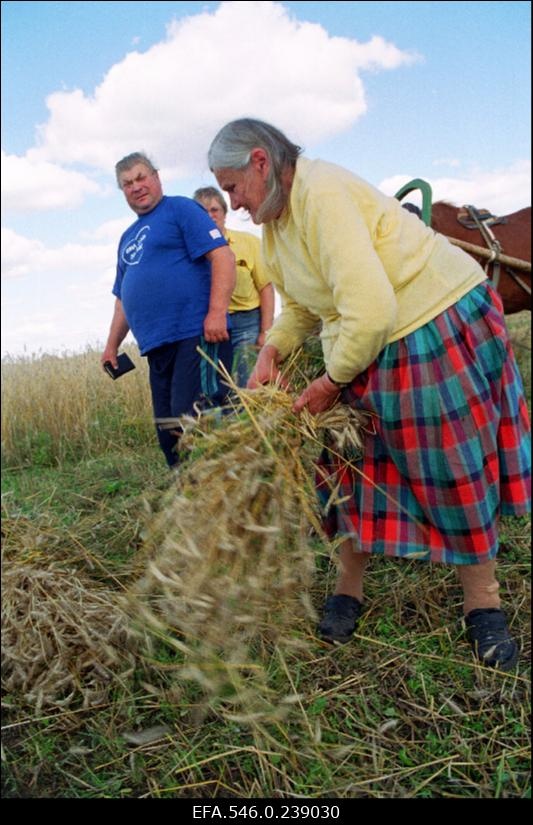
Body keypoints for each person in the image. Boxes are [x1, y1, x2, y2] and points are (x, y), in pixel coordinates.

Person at [207, 118, 531, 670]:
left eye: (233, 186)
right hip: (366, 336)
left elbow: (374, 308)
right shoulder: (277, 222)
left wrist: (330, 383)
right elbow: (308, 306)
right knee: (347, 468)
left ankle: (484, 604)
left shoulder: (322, 193)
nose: (232, 203)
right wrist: (273, 349)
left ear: (261, 161)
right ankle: (348, 588)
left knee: (451, 467)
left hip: (429, 320)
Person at [101, 152, 236, 468]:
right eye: (127, 184)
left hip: (195, 335)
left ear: (157, 177)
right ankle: (187, 504)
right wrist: (111, 345)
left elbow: (222, 257)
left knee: (191, 422)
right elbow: (122, 296)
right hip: (157, 346)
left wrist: (217, 311)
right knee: (168, 432)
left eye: (140, 177)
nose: (136, 187)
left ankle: (223, 497)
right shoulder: (127, 237)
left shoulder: (181, 209)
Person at [193, 186, 275, 386]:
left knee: (246, 383)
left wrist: (265, 331)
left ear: (224, 213)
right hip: (209, 325)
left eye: (214, 210)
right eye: (203, 212)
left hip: (246, 322)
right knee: (215, 386)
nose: (210, 216)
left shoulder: (249, 243)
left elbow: (265, 287)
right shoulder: (191, 251)